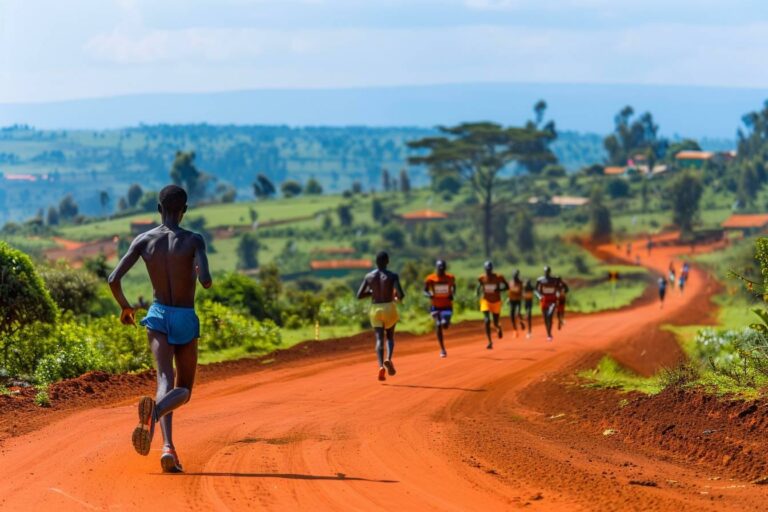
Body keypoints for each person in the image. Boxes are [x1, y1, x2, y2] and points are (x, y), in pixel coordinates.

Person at [108, 185, 212, 474]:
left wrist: (126, 307)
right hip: (184, 317)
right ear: (185, 210)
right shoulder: (194, 240)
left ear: (158, 209)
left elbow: (113, 278)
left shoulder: (144, 240)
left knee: (164, 380)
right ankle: (153, 414)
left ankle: (167, 448)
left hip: (157, 315)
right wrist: (196, 271)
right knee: (185, 389)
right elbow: (206, 280)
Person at [357, 251, 405, 381]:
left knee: (379, 339)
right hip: (389, 307)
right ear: (387, 262)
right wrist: (396, 296)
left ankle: (380, 367)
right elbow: (400, 294)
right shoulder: (392, 276)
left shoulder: (369, 276)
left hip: (375, 309)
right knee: (389, 337)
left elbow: (359, 295)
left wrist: (372, 292)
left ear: (376, 262)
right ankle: (388, 359)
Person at [424, 259, 456, 358]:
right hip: (435, 306)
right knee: (438, 325)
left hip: (447, 306)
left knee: (444, 325)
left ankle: (445, 321)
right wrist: (429, 294)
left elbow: (454, 287)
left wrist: (452, 294)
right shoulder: (430, 278)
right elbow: (424, 290)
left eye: (442, 268)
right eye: (439, 268)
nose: (441, 270)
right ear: (436, 268)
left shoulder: (450, 278)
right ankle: (442, 349)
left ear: (445, 268)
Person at [477, 261, 508, 349]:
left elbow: (507, 286)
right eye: (487, 270)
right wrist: (477, 291)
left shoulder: (498, 277)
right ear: (485, 270)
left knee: (495, 323)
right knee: (487, 320)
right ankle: (490, 341)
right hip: (485, 301)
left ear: (492, 269)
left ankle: (498, 327)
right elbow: (480, 285)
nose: (488, 272)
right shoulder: (482, 277)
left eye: (489, 270)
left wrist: (499, 290)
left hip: (496, 302)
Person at [536, 266, 560, 342]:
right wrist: (539, 296)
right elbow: (536, 290)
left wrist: (558, 294)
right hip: (544, 301)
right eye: (545, 272)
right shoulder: (540, 280)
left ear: (550, 272)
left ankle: (549, 333)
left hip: (552, 300)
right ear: (544, 272)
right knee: (546, 319)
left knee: (549, 315)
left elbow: (558, 288)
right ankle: (548, 334)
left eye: (548, 271)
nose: (547, 273)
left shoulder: (554, 280)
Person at [507, 269, 526, 337]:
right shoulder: (510, 282)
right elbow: (509, 291)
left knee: (518, 312)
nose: (515, 276)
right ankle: (515, 329)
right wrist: (508, 298)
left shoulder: (520, 282)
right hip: (512, 300)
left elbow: (522, 290)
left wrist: (522, 295)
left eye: (516, 275)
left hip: (518, 300)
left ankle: (521, 322)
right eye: (514, 275)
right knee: (511, 315)